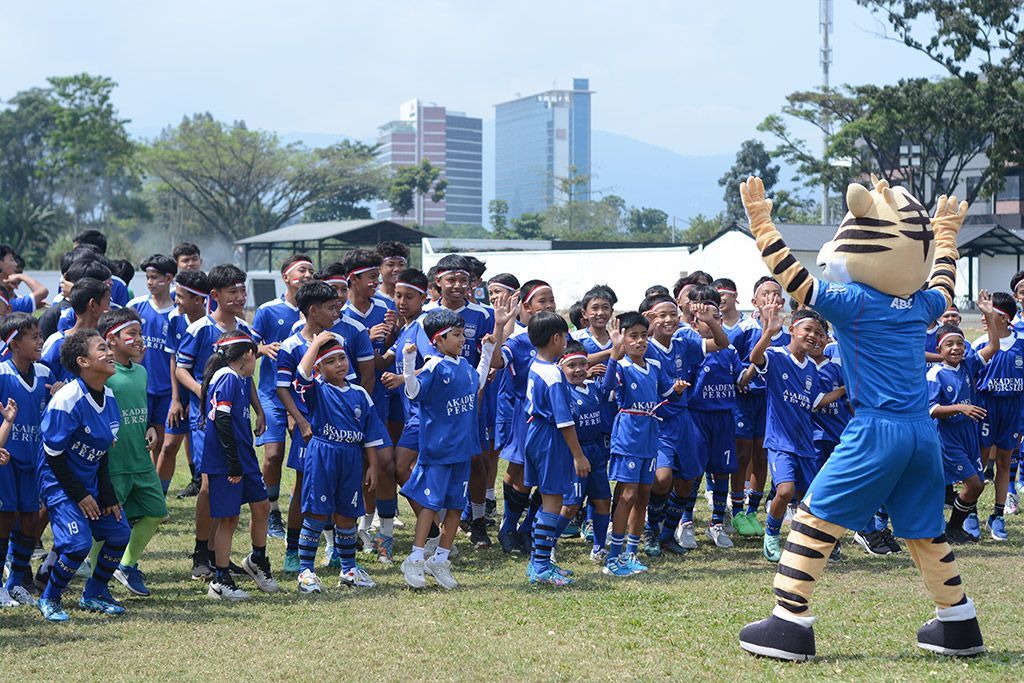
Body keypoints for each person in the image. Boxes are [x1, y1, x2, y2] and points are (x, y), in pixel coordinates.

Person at [737, 175, 982, 660]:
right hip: (921, 432)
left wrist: (762, 224)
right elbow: (945, 279)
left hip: (876, 429)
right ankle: (958, 623)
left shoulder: (853, 303)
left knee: (814, 519)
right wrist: (947, 232)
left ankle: (788, 623)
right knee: (923, 531)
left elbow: (794, 278)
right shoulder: (922, 305)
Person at [176, 264, 263, 581]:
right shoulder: (199, 328)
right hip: (208, 420)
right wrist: (203, 391)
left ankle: (217, 555)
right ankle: (202, 551)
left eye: (243, 290)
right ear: (215, 295)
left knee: (227, 485)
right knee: (210, 484)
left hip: (237, 421)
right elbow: (181, 369)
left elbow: (246, 373)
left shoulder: (245, 327)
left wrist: (259, 409)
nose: (240, 296)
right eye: (233, 291)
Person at [35, 329, 130, 622]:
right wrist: (80, 495)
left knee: (119, 532)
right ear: (83, 362)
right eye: (101, 348)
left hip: (88, 482)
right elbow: (53, 456)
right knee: (77, 545)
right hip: (58, 481)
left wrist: (107, 494)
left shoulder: (110, 397)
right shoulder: (68, 399)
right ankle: (49, 597)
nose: (110, 353)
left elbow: (101, 453)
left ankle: (95, 593)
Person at [399, 309, 497, 590]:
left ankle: (440, 558)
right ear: (438, 341)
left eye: (461, 334)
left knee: (455, 505)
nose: (461, 340)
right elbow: (414, 391)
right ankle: (416, 557)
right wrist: (408, 361)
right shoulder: (433, 366)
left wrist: (487, 351)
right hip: (438, 452)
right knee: (430, 505)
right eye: (455, 335)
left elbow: (477, 383)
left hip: (462, 451)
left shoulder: (465, 365)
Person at [275, 280, 365, 572]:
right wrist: (299, 420)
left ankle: (339, 550)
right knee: (304, 488)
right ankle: (293, 550)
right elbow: (283, 387)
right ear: (312, 311)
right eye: (330, 308)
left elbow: (346, 383)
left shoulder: (337, 341)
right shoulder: (292, 345)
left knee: (338, 486)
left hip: (336, 431)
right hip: (309, 430)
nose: (335, 312)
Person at [749, 305, 844, 562]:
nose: (813, 336)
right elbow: (755, 358)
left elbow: (816, 402)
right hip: (780, 441)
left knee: (810, 497)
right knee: (785, 491)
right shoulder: (777, 355)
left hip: (806, 441)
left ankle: (812, 542)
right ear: (792, 330)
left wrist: (845, 390)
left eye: (819, 332)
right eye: (808, 330)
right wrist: (768, 332)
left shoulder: (812, 369)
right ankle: (771, 534)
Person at [294, 332, 385, 592]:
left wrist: (373, 466)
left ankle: (349, 570)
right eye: (331, 361)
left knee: (347, 515)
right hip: (323, 455)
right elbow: (301, 375)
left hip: (351, 458)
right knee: (317, 514)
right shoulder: (318, 391)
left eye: (342, 358)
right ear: (319, 368)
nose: (339, 364)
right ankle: (306, 572)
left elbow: (370, 435)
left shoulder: (360, 394)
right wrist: (315, 344)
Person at [640, 291, 728, 555]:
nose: (668, 319)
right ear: (649, 319)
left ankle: (667, 535)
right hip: (658, 421)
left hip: (684, 420)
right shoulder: (644, 346)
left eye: (672, 314)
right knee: (662, 478)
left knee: (687, 481)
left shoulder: (683, 343)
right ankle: (650, 530)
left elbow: (721, 343)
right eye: (661, 315)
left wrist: (709, 322)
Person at [602, 312, 688, 577]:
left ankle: (631, 553)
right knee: (627, 494)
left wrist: (677, 389)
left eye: (643, 336)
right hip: (629, 433)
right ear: (623, 339)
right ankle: (613, 558)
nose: (640, 341)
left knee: (643, 496)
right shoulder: (622, 366)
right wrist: (614, 354)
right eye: (633, 336)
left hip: (651, 434)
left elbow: (665, 394)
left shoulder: (654, 366)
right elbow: (606, 387)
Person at [199, 332, 278, 601]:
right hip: (226, 460)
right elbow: (221, 422)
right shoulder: (227, 378)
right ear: (248, 355)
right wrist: (233, 463)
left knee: (262, 505)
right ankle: (220, 581)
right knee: (229, 519)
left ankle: (256, 560)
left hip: (244, 458)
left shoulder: (239, 379)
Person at [425, 254, 496, 547]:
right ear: (438, 281)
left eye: (463, 280)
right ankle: (438, 525)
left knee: (476, 460)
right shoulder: (425, 314)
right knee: (437, 461)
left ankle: (477, 519)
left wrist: (488, 368)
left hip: (473, 399)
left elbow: (493, 356)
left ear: (471, 283)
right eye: (451, 279)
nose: (457, 285)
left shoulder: (483, 314)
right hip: (438, 403)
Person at [95, 309, 167, 597]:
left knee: (156, 511)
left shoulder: (142, 371)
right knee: (104, 522)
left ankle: (125, 564)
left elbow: (138, 408)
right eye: (132, 334)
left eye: (139, 333)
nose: (139, 340)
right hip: (114, 464)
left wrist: (150, 427)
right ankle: (97, 579)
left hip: (140, 459)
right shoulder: (104, 374)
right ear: (111, 339)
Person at [251, 254, 316, 541]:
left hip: (302, 397)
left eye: (312, 271)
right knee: (273, 454)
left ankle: (299, 511)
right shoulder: (268, 310)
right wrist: (262, 349)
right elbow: (248, 346)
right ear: (286, 277)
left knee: (304, 461)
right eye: (302, 270)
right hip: (271, 393)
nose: (308, 275)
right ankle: (272, 511)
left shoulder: (314, 311)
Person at [523, 313, 590, 586]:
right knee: (552, 501)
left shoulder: (537, 364)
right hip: (550, 436)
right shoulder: (553, 374)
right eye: (564, 337)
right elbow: (564, 421)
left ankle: (538, 562)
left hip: (536, 433)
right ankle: (541, 566)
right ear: (556, 338)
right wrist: (578, 455)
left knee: (548, 499)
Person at [493, 279, 555, 555]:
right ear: (526, 306)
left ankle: (528, 526)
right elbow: (496, 361)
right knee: (519, 473)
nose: (549, 305)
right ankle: (509, 526)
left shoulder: (559, 336)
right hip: (525, 416)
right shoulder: (518, 341)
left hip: (555, 416)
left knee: (548, 475)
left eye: (551, 299)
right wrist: (498, 326)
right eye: (542, 300)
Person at [376, 269, 434, 560]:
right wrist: (376, 340)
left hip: (424, 415)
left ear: (424, 297)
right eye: (398, 295)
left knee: (399, 467)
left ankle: (436, 531)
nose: (401, 301)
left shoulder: (423, 326)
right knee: (402, 469)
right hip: (413, 415)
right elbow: (383, 361)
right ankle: (435, 530)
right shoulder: (406, 327)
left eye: (409, 296)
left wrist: (403, 379)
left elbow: (437, 364)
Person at [0, 314, 55, 606]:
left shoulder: (46, 375)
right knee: (5, 519)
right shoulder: (2, 374)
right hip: (6, 460)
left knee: (31, 521)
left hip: (34, 460)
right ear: (14, 343)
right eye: (33, 336)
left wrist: (59, 395)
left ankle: (16, 581)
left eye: (39, 335)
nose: (40, 340)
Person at [341, 248, 393, 549]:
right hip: (344, 407)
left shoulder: (386, 308)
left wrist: (393, 338)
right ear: (353, 279)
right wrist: (367, 341)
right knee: (354, 468)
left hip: (378, 401)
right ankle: (346, 533)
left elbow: (386, 360)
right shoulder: (339, 314)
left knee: (382, 464)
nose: (377, 281)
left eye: (377, 275)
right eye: (371, 276)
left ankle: (375, 527)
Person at [685, 289, 744, 548]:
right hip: (697, 418)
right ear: (694, 322)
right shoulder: (690, 348)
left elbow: (742, 379)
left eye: (716, 317)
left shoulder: (729, 351)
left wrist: (761, 355)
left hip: (724, 419)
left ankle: (717, 523)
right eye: (704, 317)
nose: (710, 322)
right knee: (693, 472)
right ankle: (685, 521)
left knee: (722, 472)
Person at [732, 276, 788, 537]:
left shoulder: (788, 335)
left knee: (761, 455)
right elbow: (733, 361)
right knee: (742, 454)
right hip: (746, 399)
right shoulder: (744, 329)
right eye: (765, 294)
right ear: (754, 301)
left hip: (772, 402)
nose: (771, 299)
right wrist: (743, 376)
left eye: (776, 294)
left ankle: (753, 510)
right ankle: (735, 511)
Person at [927, 323, 990, 544]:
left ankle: (953, 529)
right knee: (974, 484)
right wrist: (960, 408)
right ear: (939, 349)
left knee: (978, 485)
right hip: (948, 437)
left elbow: (992, 347)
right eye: (949, 344)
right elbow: (931, 410)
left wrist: (992, 319)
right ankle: (948, 528)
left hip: (969, 434)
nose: (955, 348)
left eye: (960, 344)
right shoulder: (936, 373)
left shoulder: (967, 366)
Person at [971, 290, 1024, 541]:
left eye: (989, 311)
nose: (984, 316)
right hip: (985, 408)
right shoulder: (980, 344)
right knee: (980, 461)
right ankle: (970, 511)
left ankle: (998, 514)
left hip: (1012, 410)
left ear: (1004, 317)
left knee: (1005, 462)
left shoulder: (1021, 345)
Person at [155, 269, 210, 497]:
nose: (175, 300)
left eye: (179, 296)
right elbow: (174, 358)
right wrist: (176, 399)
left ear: (198, 299)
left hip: (203, 394)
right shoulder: (175, 319)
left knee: (203, 450)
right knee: (169, 446)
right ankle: (157, 499)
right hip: (182, 391)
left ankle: (202, 487)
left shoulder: (211, 323)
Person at [557, 340, 612, 563]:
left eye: (582, 364)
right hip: (575, 453)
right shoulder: (561, 392)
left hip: (596, 450)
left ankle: (599, 547)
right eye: (572, 366)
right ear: (562, 368)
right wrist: (577, 455)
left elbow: (608, 382)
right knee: (570, 505)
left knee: (602, 501)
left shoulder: (593, 388)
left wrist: (615, 354)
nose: (578, 369)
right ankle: (546, 544)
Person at [127, 254, 178, 462]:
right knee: (137, 440)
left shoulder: (178, 312)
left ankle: (156, 489)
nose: (149, 282)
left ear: (169, 278)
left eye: (155, 277)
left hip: (167, 389)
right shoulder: (136, 306)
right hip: (140, 388)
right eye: (147, 277)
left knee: (163, 443)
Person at [42, 278, 112, 384]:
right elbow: (43, 379)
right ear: (93, 304)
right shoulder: (57, 342)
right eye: (107, 303)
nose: (109, 309)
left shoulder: (107, 340)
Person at [373, 240, 409, 306]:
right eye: (391, 265)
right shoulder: (371, 299)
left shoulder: (413, 298)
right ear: (379, 268)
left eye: (401, 265)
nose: (397, 269)